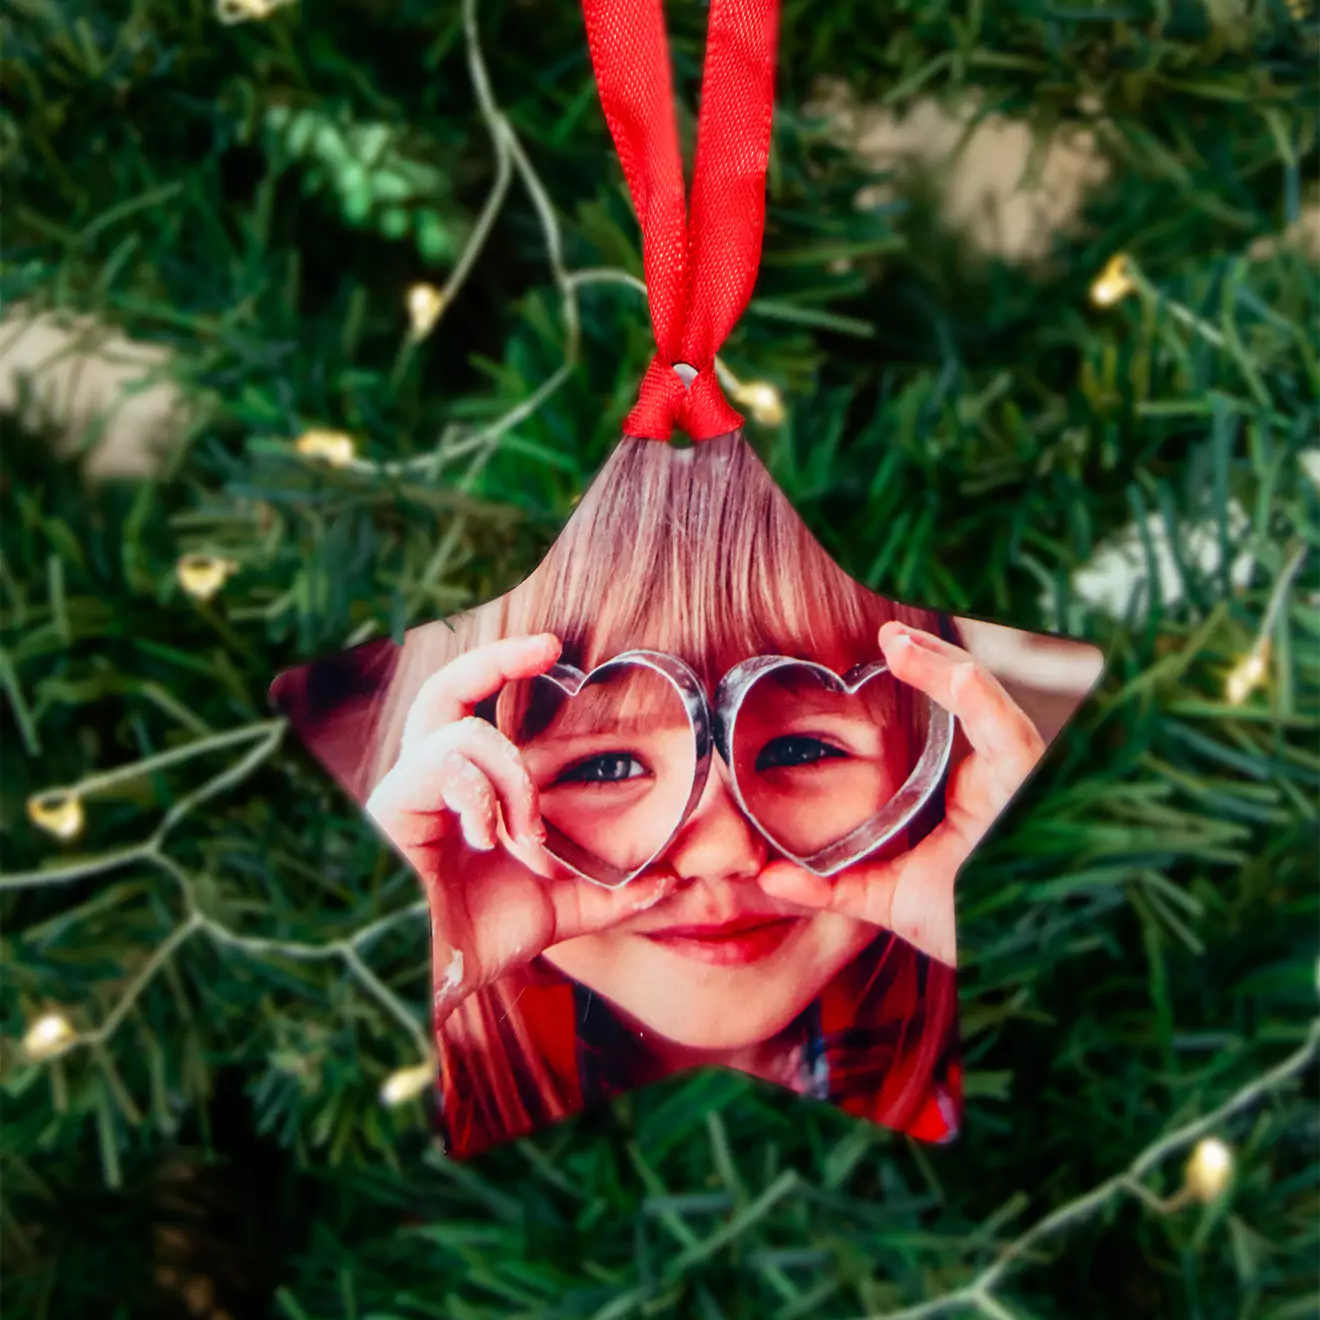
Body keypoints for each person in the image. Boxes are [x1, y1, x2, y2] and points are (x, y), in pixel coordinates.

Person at [277, 433, 1047, 1158]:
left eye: (803, 748)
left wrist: (1009, 893)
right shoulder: (419, 1109)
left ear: (930, 767)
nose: (722, 852)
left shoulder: (1007, 1055)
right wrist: (412, 949)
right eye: (605, 768)